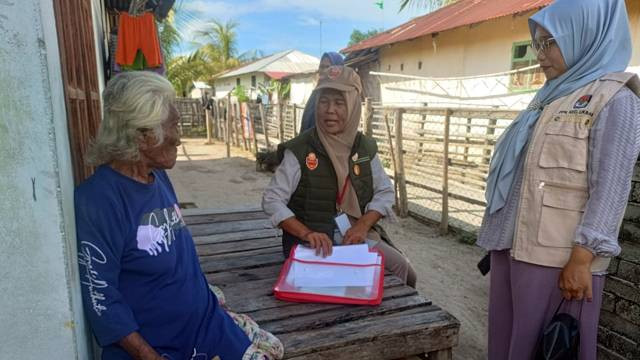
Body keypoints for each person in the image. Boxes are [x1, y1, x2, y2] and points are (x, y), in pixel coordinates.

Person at [75, 71, 284, 360]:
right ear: (141, 134)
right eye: (173, 125)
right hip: (162, 345)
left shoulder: (157, 177)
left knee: (275, 349)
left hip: (205, 322)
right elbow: (101, 300)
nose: (179, 137)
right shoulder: (99, 200)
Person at [477, 0, 640, 359]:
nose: (540, 54)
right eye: (538, 43)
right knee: (507, 346)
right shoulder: (549, 97)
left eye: (551, 42)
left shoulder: (615, 99)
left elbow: (611, 187)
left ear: (586, 37)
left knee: (550, 349)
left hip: (560, 260)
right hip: (513, 249)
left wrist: (583, 259)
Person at [262, 65, 417, 287]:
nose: (329, 110)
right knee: (342, 288)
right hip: (314, 247)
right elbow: (272, 199)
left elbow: (384, 192)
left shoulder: (364, 148)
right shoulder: (300, 150)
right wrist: (306, 233)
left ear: (354, 105)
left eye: (339, 102)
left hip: (353, 237)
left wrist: (363, 224)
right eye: (324, 101)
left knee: (406, 271)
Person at [299, 52, 345, 132]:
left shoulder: (344, 93)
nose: (323, 70)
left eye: (328, 67)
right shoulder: (317, 92)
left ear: (338, 69)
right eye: (321, 67)